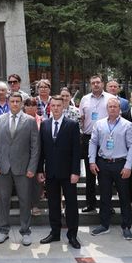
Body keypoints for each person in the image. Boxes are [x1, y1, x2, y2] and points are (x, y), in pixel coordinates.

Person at [0, 91, 40, 246]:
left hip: (23, 168)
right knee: (4, 200)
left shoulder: (30, 121)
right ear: (8, 102)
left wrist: (32, 167)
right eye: (12, 101)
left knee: (25, 200)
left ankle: (25, 231)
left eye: (18, 101)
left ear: (22, 103)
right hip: (3, 168)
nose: (15, 104)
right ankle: (3, 230)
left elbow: (35, 147)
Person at [89, 96, 132, 240]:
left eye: (115, 106)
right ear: (107, 109)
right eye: (110, 107)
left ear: (119, 109)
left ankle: (126, 226)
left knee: (124, 196)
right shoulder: (99, 124)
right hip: (103, 164)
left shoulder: (128, 125)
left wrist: (128, 166)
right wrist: (92, 161)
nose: (112, 109)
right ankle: (104, 224)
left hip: (120, 164)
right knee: (104, 196)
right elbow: (93, 142)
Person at [38, 96, 81, 249]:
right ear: (50, 107)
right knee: (53, 204)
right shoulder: (44, 125)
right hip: (51, 173)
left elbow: (77, 150)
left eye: (58, 105)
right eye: (53, 105)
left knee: (71, 205)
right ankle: (55, 233)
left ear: (63, 107)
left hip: (68, 173)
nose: (55, 108)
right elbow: (41, 150)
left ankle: (72, 235)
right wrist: (39, 170)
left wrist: (76, 171)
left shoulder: (72, 125)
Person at [78, 75, 111, 213]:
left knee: (105, 173)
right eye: (93, 83)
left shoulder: (110, 98)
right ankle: (90, 203)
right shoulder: (85, 99)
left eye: (98, 82)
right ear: (90, 85)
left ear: (102, 83)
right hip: (88, 138)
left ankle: (107, 205)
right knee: (90, 173)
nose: (96, 85)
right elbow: (81, 118)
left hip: (106, 139)